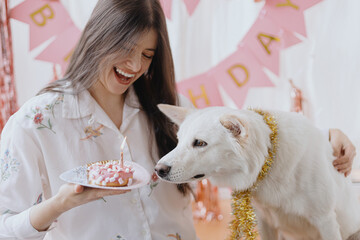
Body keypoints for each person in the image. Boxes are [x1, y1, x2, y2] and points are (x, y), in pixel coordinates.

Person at [0, 0, 355, 239]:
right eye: (125, 49)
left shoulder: (168, 108)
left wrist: (327, 137)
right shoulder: (35, 123)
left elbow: (246, 131)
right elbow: (5, 226)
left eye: (147, 55)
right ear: (97, 39)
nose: (135, 66)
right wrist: (63, 203)